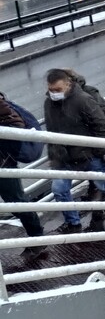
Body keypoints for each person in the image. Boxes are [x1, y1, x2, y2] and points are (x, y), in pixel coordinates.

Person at [43, 69, 105, 234]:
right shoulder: (48, 103)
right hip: (63, 158)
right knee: (59, 190)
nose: (53, 93)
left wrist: (98, 151)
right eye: (50, 90)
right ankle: (74, 224)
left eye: (57, 90)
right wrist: (53, 156)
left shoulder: (83, 100)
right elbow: (51, 131)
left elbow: (102, 125)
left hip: (87, 156)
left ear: (68, 85)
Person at [0, 92, 45, 257]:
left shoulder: (1, 105)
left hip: (3, 164)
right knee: (16, 203)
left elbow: (17, 128)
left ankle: (37, 239)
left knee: (17, 203)